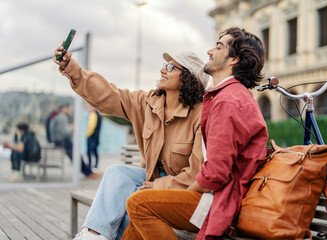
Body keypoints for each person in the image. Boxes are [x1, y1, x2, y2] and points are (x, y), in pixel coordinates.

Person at [121, 27, 269, 240]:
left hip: (221, 202)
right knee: (142, 208)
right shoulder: (227, 95)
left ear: (234, 59)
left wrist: (184, 191)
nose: (209, 51)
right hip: (216, 196)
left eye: (218, 47)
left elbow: (216, 173)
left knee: (140, 203)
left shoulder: (229, 100)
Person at [53, 44, 208, 240]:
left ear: (188, 78)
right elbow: (108, 94)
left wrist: (160, 185)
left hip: (184, 190)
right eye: (164, 65)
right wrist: (71, 67)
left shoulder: (201, 115)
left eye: (171, 67)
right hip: (153, 179)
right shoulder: (147, 103)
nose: (162, 70)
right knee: (116, 172)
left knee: (133, 201)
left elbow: (197, 173)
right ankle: (94, 235)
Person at [49, 103, 100, 179]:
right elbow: (64, 133)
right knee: (76, 155)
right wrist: (73, 130)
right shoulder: (62, 117)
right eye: (70, 109)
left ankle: (88, 172)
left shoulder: (59, 116)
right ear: (65, 108)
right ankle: (88, 172)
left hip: (59, 140)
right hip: (62, 141)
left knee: (76, 155)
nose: (71, 111)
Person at [86, 105, 102, 169]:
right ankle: (95, 166)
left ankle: (90, 166)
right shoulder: (98, 115)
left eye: (90, 107)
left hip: (92, 137)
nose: (88, 108)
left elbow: (91, 126)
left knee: (89, 151)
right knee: (95, 152)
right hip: (96, 137)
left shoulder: (93, 114)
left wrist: (87, 134)